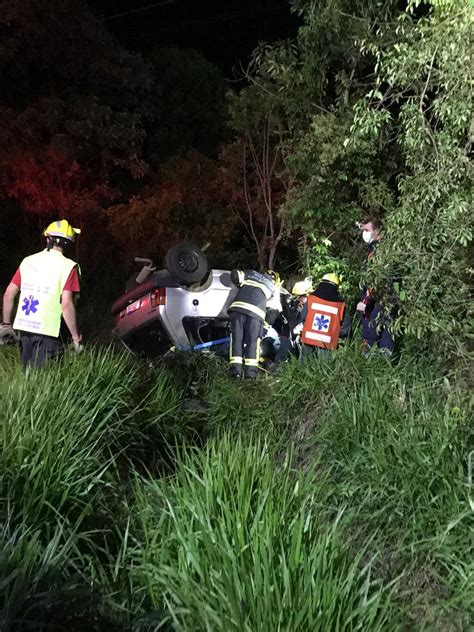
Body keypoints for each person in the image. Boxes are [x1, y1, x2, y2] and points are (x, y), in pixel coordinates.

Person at [0, 219, 83, 368]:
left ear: (47, 238)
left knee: (27, 375)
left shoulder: (28, 261)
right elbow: (66, 305)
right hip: (49, 332)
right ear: (70, 243)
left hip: (24, 329)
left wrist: (6, 325)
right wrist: (75, 337)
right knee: (46, 381)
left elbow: (8, 294)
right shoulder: (69, 267)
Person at [228, 269, 278, 379]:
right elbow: (274, 310)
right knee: (253, 343)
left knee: (236, 340)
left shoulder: (251, 273)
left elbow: (236, 275)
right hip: (256, 314)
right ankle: (250, 375)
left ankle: (235, 373)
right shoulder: (274, 288)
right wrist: (264, 327)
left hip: (238, 309)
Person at [356, 217, 394, 356]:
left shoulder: (378, 252)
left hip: (376, 302)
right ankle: (384, 370)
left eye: (367, 230)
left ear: (377, 231)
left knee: (371, 337)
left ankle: (371, 369)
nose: (364, 233)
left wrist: (365, 301)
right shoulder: (388, 249)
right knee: (387, 335)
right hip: (389, 300)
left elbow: (375, 279)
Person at [298, 273, 346, 357]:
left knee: (304, 367)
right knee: (324, 368)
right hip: (327, 343)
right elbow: (345, 329)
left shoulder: (311, 298)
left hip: (308, 339)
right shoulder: (340, 305)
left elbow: (303, 317)